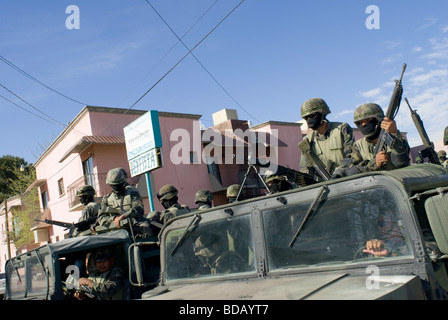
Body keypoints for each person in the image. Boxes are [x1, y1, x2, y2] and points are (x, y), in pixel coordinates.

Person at [299, 97, 354, 180]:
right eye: (306, 117)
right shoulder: (307, 141)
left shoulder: (342, 129)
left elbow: (351, 156)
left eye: (312, 115)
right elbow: (305, 168)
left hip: (346, 180)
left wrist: (338, 173)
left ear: (323, 114)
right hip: (323, 187)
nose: (309, 120)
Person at [347, 103, 410, 173]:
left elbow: (402, 162)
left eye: (368, 120)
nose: (364, 124)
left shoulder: (394, 139)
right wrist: (374, 164)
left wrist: (394, 133)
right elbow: (351, 171)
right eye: (360, 122)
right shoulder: (358, 146)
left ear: (379, 119)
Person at [95, 168, 153, 238]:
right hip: (116, 233)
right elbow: (101, 218)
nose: (117, 187)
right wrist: (114, 219)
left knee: (148, 228)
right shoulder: (107, 199)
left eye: (119, 185)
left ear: (123, 182)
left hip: (134, 229)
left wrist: (123, 216)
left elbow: (139, 208)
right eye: (114, 186)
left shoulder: (132, 193)